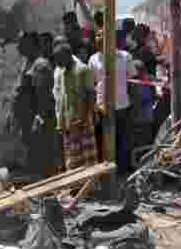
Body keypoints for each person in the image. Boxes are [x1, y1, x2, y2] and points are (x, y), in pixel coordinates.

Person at [89, 30, 135, 177]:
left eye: (101, 38)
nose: (97, 40)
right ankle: (105, 171)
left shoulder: (125, 57)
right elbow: (93, 82)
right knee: (102, 139)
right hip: (102, 106)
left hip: (121, 105)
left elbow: (132, 76)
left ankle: (121, 171)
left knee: (121, 139)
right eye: (96, 38)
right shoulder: (93, 59)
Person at [15, 31, 57, 182]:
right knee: (34, 160)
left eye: (21, 43)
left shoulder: (40, 65)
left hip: (38, 120)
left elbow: (43, 95)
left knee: (41, 161)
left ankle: (46, 194)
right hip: (28, 119)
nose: (18, 46)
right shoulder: (28, 62)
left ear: (30, 44)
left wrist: (39, 117)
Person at [53, 38, 97, 172]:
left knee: (87, 160)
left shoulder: (83, 70)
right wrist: (62, 124)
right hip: (69, 125)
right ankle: (77, 189)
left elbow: (90, 97)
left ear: (67, 55)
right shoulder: (62, 73)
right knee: (73, 162)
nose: (57, 63)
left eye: (59, 59)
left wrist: (82, 120)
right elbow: (62, 101)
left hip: (82, 123)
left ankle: (90, 189)